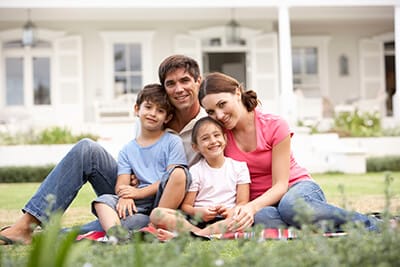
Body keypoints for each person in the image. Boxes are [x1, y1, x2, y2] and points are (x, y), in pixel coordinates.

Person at [0, 54, 205, 245]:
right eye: (171, 83)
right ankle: (25, 226)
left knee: (122, 224)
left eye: (185, 80)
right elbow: (133, 166)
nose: (178, 89)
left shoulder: (208, 123)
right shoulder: (149, 121)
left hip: (170, 203)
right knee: (86, 149)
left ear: (198, 81)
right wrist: (127, 192)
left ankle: (58, 236)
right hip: (136, 196)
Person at [198, 72, 381, 232]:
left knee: (291, 207)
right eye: (211, 112)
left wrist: (251, 207)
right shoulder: (219, 137)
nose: (219, 115)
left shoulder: (274, 125)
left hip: (296, 189)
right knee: (264, 219)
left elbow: (281, 185)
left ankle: (371, 224)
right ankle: (316, 226)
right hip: (263, 204)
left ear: (237, 93)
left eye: (222, 104)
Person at [92, 83, 188, 234]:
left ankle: (147, 226)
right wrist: (125, 196)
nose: (153, 113)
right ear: (137, 109)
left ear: (167, 117)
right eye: (148, 107)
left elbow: (173, 178)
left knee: (178, 172)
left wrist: (136, 193)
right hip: (138, 205)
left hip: (162, 202)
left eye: (160, 111)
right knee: (102, 202)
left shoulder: (172, 141)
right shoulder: (127, 150)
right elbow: (121, 184)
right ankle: (117, 236)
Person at [150, 116, 250, 241]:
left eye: (216, 135)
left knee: (241, 218)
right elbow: (186, 206)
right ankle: (198, 235)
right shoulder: (196, 170)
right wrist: (199, 212)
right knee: (156, 214)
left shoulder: (239, 167)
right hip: (195, 221)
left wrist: (230, 211)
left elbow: (242, 203)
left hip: (225, 221)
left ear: (225, 138)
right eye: (205, 138)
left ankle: (190, 236)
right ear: (195, 147)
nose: (213, 141)